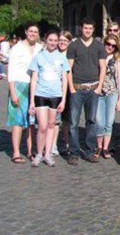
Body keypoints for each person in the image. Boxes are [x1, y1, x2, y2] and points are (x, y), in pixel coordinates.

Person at [67, 18, 107, 165]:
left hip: (93, 88)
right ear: (81, 29)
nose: (88, 31)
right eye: (85, 28)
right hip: (77, 88)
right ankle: (74, 152)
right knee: (73, 122)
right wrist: (71, 87)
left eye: (90, 28)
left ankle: (90, 151)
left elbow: (103, 67)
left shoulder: (99, 46)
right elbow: (68, 68)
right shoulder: (74, 45)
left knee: (91, 121)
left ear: (93, 29)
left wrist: (99, 87)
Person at [28, 30, 70, 167]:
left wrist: (63, 99)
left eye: (55, 40)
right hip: (41, 94)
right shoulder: (38, 57)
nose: (53, 43)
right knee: (43, 126)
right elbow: (34, 79)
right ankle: (39, 153)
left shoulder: (62, 58)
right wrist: (32, 101)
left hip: (55, 95)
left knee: (52, 125)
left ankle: (48, 153)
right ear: (46, 40)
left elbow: (64, 79)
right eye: (50, 40)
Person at [7, 23, 42, 163]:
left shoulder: (40, 48)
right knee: (18, 120)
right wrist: (13, 93)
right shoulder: (17, 48)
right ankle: (16, 152)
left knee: (31, 121)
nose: (33, 34)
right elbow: (11, 71)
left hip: (35, 86)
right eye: (31, 31)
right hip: (19, 85)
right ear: (26, 32)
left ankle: (30, 151)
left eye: (35, 31)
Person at [95, 34, 120, 158]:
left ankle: (105, 148)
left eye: (113, 45)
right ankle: (98, 146)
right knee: (99, 121)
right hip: (98, 93)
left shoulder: (117, 62)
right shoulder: (97, 57)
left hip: (112, 93)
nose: (110, 47)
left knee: (109, 121)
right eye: (108, 44)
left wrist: (119, 100)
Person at [53, 30, 73, 155]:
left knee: (66, 119)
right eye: (60, 40)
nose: (62, 43)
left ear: (69, 42)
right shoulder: (52, 53)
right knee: (54, 119)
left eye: (65, 41)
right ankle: (53, 145)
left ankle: (66, 143)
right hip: (54, 90)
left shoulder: (71, 54)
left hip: (68, 90)